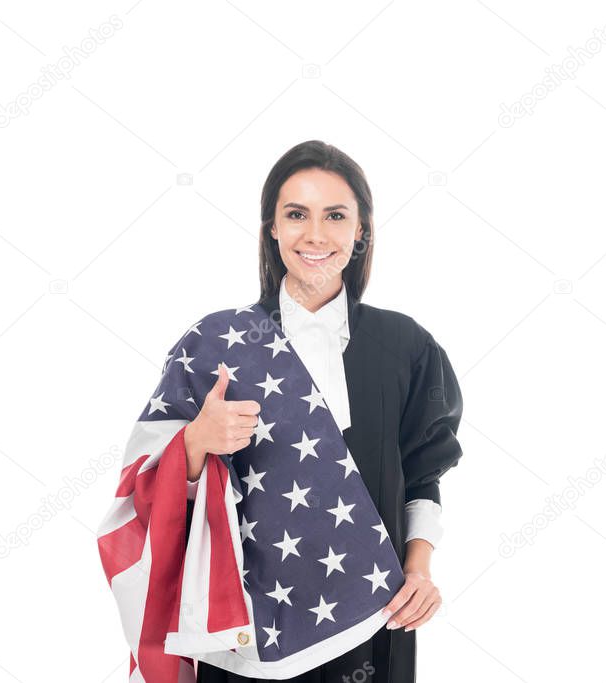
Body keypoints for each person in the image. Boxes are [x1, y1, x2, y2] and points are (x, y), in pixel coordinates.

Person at [180, 139, 465, 681]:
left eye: (336, 215)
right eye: (296, 215)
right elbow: (147, 487)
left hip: (373, 614)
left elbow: (423, 473)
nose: (315, 235)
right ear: (272, 227)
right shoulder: (217, 341)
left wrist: (419, 570)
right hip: (244, 629)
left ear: (361, 231)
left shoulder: (405, 345)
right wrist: (196, 441)